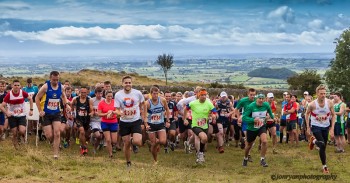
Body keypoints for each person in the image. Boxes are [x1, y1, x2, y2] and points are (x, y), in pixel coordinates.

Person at [35, 71, 71, 159]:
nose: (55, 82)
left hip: (56, 113)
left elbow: (63, 97)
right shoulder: (46, 86)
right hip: (46, 113)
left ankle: (55, 155)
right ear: (50, 79)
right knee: (49, 135)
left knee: (57, 133)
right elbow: (37, 97)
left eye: (57, 80)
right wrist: (40, 110)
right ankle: (53, 143)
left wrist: (67, 105)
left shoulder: (61, 86)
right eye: (54, 80)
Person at [114, 75, 145, 167]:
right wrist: (119, 113)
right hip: (124, 122)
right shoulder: (118, 95)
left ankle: (133, 142)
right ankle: (128, 162)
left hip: (135, 120)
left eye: (129, 82)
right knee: (126, 144)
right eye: (126, 83)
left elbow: (143, 104)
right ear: (122, 84)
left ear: (132, 83)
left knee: (138, 142)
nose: (128, 84)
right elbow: (117, 109)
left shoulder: (138, 93)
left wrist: (144, 116)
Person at [305, 84, 335, 174]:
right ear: (317, 94)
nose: (323, 95)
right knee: (321, 144)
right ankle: (325, 166)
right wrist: (308, 127)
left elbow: (333, 115)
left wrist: (332, 128)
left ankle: (313, 141)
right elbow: (306, 114)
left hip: (326, 126)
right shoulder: (312, 104)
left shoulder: (329, 103)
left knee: (323, 147)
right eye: (321, 93)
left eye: (324, 93)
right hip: (316, 125)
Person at [184, 88, 217, 164]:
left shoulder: (209, 103)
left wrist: (214, 115)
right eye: (202, 95)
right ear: (198, 95)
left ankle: (197, 151)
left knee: (204, 140)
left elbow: (214, 111)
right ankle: (200, 154)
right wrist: (185, 119)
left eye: (205, 95)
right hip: (195, 125)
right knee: (203, 137)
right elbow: (186, 109)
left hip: (205, 125)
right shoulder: (193, 103)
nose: (204, 96)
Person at [242, 94, 274, 167]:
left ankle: (262, 160)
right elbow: (244, 117)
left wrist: (273, 118)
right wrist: (253, 120)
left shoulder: (266, 105)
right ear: (256, 99)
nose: (261, 100)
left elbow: (270, 112)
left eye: (262, 99)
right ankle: (245, 158)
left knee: (265, 141)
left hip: (261, 126)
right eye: (259, 98)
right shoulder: (251, 106)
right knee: (249, 145)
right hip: (251, 128)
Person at [0, 80, 33, 149]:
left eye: (18, 85)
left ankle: (19, 137)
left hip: (22, 115)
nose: (16, 87)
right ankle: (16, 148)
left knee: (22, 130)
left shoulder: (23, 93)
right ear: (12, 86)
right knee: (14, 133)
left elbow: (30, 99)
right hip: (12, 116)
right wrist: (6, 113)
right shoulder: (9, 95)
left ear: (20, 86)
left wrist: (31, 110)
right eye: (15, 85)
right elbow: (1, 106)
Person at [144, 86, 170, 163]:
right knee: (153, 144)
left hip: (160, 123)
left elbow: (167, 110)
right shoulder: (147, 103)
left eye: (157, 93)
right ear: (151, 94)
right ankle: (155, 160)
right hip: (151, 124)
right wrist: (146, 125)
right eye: (154, 94)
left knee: (162, 141)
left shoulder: (162, 100)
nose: (155, 95)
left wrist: (167, 120)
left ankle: (156, 142)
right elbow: (144, 115)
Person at [71, 86, 93, 155]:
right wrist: (72, 113)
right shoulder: (76, 99)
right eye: (82, 92)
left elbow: (91, 110)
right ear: (80, 92)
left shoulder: (89, 100)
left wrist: (91, 113)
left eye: (85, 93)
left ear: (87, 93)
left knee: (85, 133)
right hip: (78, 119)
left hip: (86, 119)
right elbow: (71, 105)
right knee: (82, 131)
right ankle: (84, 147)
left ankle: (82, 144)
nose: (83, 94)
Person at [98, 90, 119, 158]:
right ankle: (110, 154)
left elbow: (118, 111)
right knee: (108, 140)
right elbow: (99, 114)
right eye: (108, 96)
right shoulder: (101, 103)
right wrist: (106, 114)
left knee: (114, 141)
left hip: (113, 122)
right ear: (105, 96)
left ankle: (113, 147)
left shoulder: (115, 102)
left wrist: (113, 112)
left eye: (111, 96)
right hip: (105, 122)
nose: (110, 98)